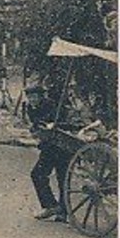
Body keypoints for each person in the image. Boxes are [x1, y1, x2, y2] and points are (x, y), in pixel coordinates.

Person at [26, 82, 73, 222]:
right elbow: (35, 125)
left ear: (41, 96)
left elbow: (61, 120)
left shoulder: (51, 105)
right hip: (49, 146)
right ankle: (51, 206)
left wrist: (51, 124)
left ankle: (62, 211)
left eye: (35, 97)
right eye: (30, 97)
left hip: (61, 146)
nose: (32, 100)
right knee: (38, 174)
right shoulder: (30, 108)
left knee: (61, 177)